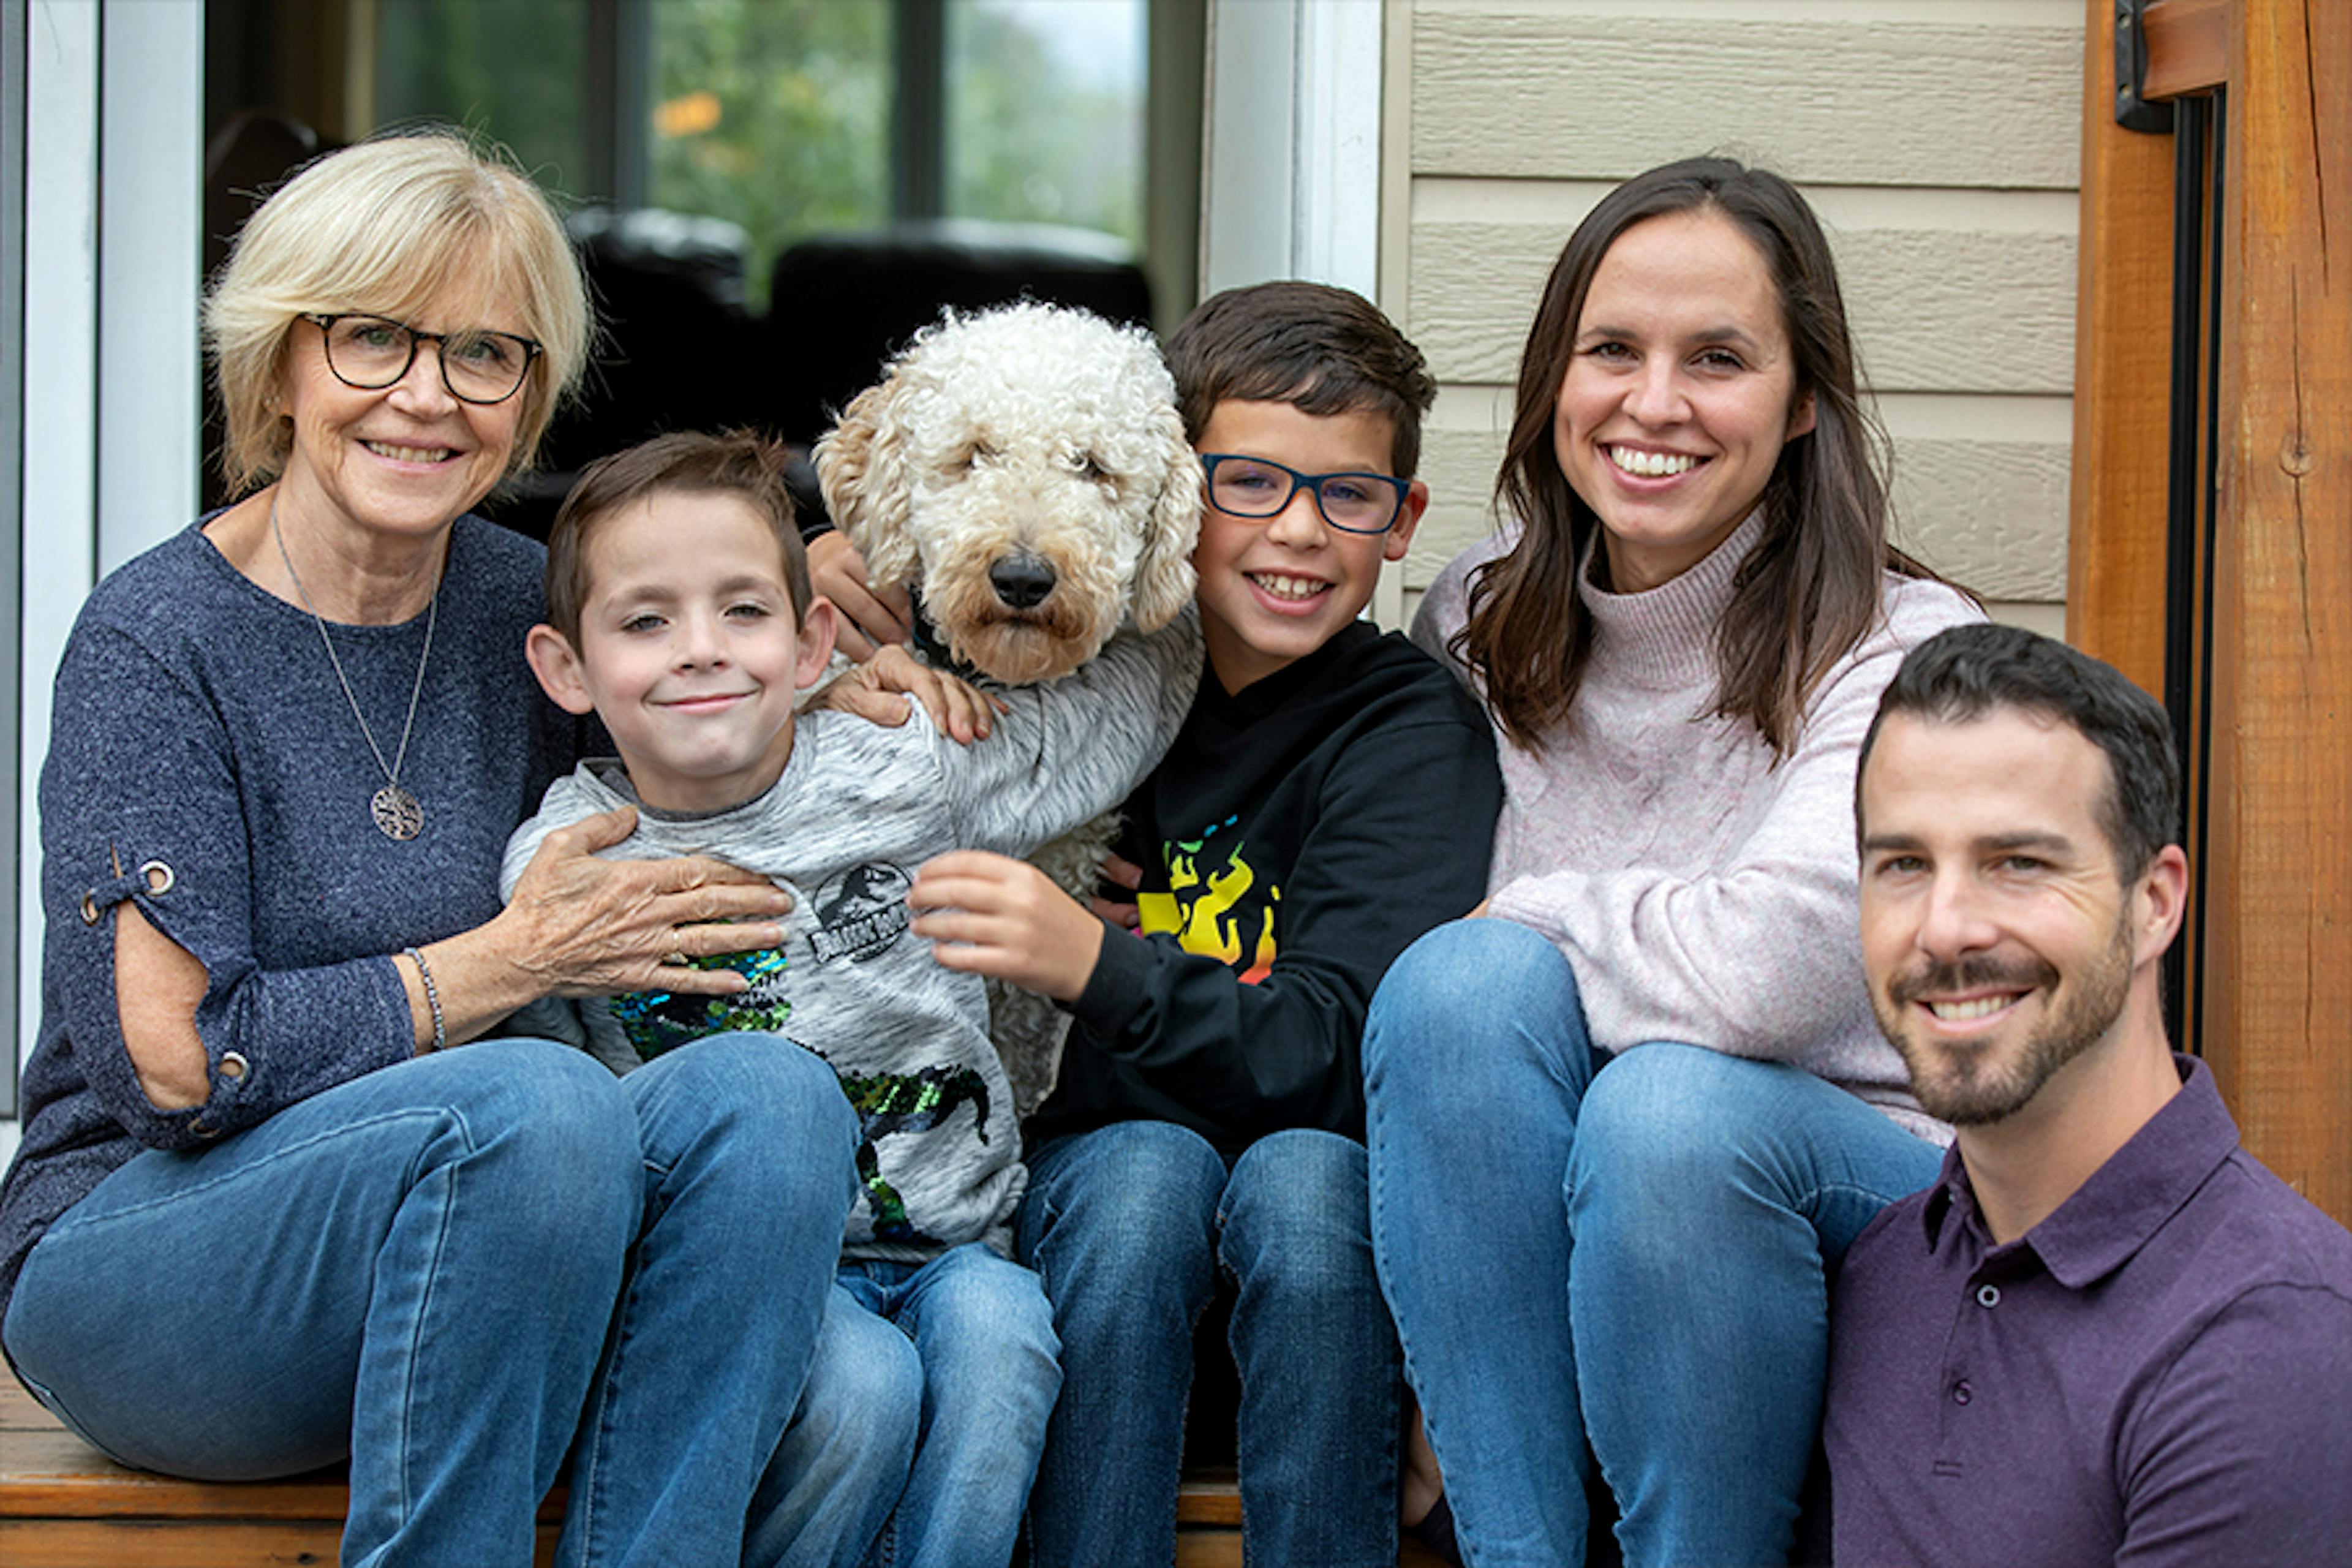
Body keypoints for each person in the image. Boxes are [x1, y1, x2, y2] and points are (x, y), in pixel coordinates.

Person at [0, 131, 902, 1568]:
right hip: (156, 1258)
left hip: (502, 1233)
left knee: (776, 1105)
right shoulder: (157, 642)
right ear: (283, 357)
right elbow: (172, 1068)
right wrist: (504, 963)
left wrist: (825, 694)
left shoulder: (523, 608)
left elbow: (697, 714)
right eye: (373, 338)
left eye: (486, 352)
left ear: (529, 393)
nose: (428, 395)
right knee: (535, 1102)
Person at [1361, 156, 1984, 1567]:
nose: (1654, 404)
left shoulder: (1894, 650)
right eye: (1612, 352)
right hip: (1583, 1216)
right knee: (1460, 991)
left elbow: (1769, 973)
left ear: (1803, 396)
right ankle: (1514, 1546)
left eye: (1718, 358)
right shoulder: (1479, 614)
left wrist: (1518, 911)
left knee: (1666, 1111)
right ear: (1554, 381)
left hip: (1863, 1191)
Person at [868, 281, 1499, 1566]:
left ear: (1402, 521)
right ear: (1177, 494)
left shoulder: (1405, 731)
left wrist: (1095, 962)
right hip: (1099, 1250)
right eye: (1249, 483)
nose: (1300, 533)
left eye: (1347, 495)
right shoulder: (1078, 687)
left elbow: (1336, 1051)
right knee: (1146, 1177)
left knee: (1307, 1179)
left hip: (1314, 1291)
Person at [503, 429, 1200, 1568]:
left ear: (811, 637)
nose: (699, 652)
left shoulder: (899, 760)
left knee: (1009, 1347)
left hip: (958, 1239)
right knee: (863, 1395)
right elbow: (560, 1124)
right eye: (644, 622)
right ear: (567, 670)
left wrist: (1172, 575)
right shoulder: (568, 871)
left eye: (743, 612)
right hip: (753, 1272)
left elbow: (1096, 735)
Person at [1823, 622, 2352, 1566]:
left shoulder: (2277, 1341)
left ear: (2155, 902)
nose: (1945, 929)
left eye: (2018, 863)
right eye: (1903, 864)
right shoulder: (1883, 1273)